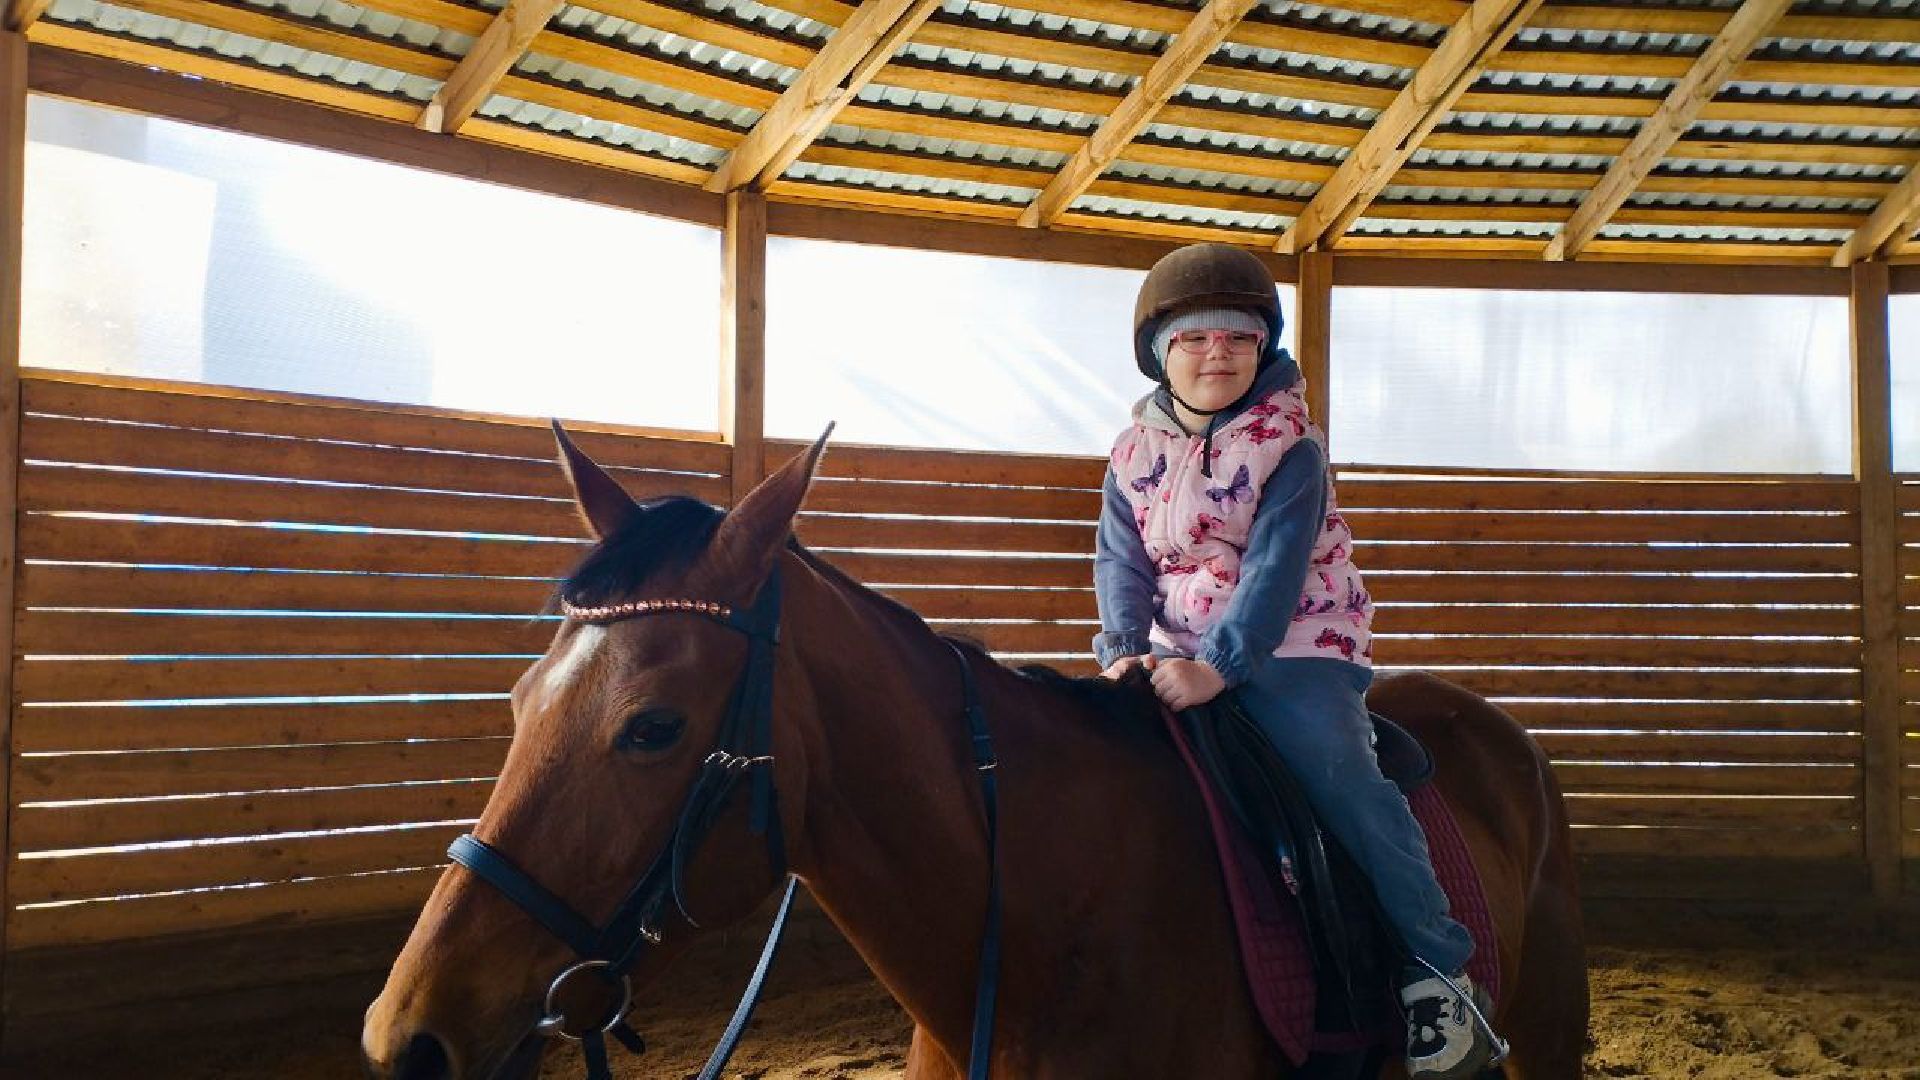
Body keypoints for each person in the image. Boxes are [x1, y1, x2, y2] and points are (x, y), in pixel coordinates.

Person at [1092, 242, 1502, 1080]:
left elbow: (1277, 570)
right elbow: (1120, 561)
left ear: (1265, 350)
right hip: (1175, 647)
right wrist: (1126, 652)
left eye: (1238, 339)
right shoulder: (1131, 454)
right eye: (1196, 339)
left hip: (1296, 645)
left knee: (1344, 776)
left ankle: (1439, 977)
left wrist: (1223, 666)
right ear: (1160, 353)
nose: (1218, 354)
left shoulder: (1290, 445)